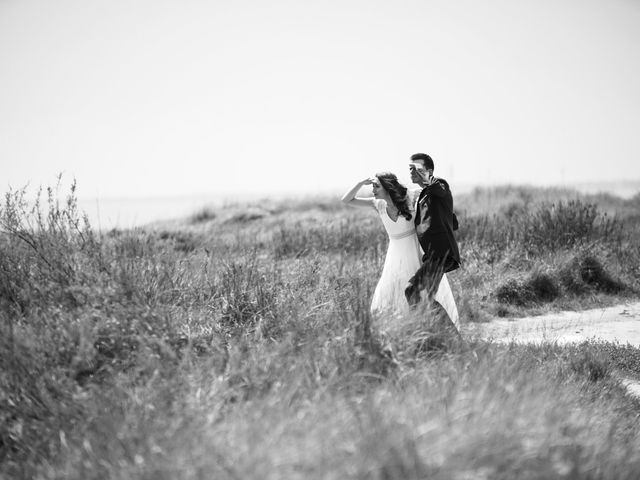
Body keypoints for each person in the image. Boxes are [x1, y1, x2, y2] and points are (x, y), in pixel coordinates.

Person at [341, 172, 422, 319]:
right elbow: (346, 200)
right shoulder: (377, 204)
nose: (373, 190)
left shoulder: (411, 196)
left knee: (413, 284)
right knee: (392, 285)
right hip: (394, 252)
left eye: (376, 186)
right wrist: (360, 183)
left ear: (387, 187)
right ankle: (398, 320)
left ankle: (418, 317)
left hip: (413, 249)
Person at [405, 153, 460, 331]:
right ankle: (438, 335)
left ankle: (424, 332)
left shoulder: (440, 185)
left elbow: (440, 190)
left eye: (417, 169)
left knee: (412, 290)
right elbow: (452, 221)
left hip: (441, 254)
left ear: (428, 171)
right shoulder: (424, 193)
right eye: (410, 168)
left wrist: (428, 179)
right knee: (424, 296)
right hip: (433, 254)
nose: (412, 171)